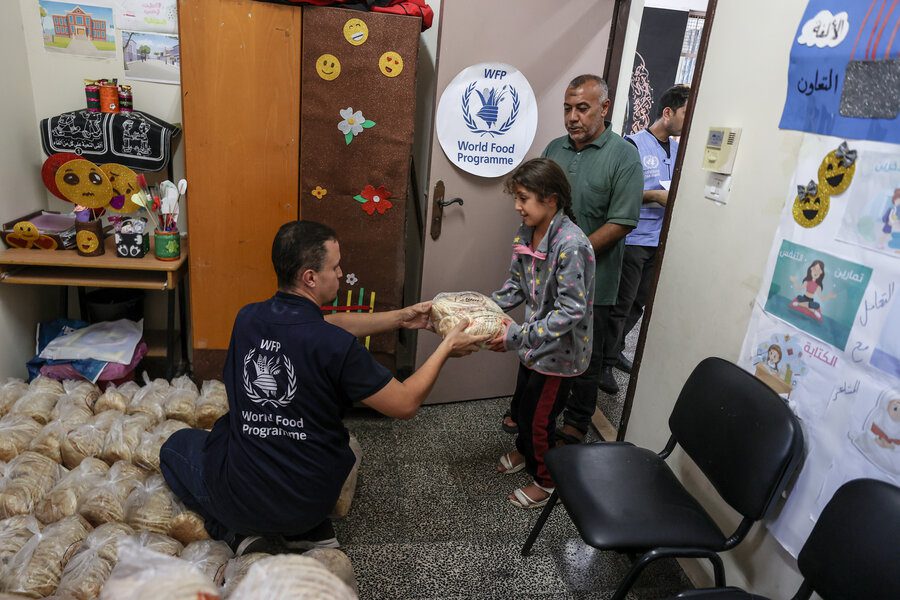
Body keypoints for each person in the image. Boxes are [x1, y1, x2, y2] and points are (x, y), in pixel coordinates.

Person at [160, 220, 488, 555]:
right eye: (335, 266)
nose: (342, 273)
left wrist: (400, 318)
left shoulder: (247, 319)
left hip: (245, 496)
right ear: (310, 277)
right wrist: (446, 347)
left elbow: (321, 325)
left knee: (176, 446)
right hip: (310, 502)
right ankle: (303, 530)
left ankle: (237, 533)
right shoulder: (335, 346)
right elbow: (405, 404)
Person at [503, 74, 642, 445]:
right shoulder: (554, 148)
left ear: (605, 108)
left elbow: (622, 220)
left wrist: (566, 255)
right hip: (546, 280)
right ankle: (523, 412)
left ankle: (576, 424)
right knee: (538, 346)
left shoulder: (623, 155)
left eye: (583, 108)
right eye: (567, 108)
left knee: (583, 358)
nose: (573, 117)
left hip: (595, 280)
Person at [489, 158, 595, 508]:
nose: (517, 207)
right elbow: (516, 285)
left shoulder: (572, 245)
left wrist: (515, 336)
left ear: (551, 199)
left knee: (539, 418)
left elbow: (571, 310)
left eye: (523, 198)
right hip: (533, 345)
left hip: (559, 355)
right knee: (522, 406)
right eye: (516, 198)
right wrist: (484, 310)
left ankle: (547, 481)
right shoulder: (526, 232)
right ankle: (525, 453)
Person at [603, 84, 690, 390]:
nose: (688, 118)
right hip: (635, 239)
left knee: (640, 303)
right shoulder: (634, 145)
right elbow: (619, 194)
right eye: (684, 112)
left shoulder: (681, 149)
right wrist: (654, 195)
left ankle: (615, 352)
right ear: (667, 113)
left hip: (659, 241)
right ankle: (603, 363)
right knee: (622, 304)